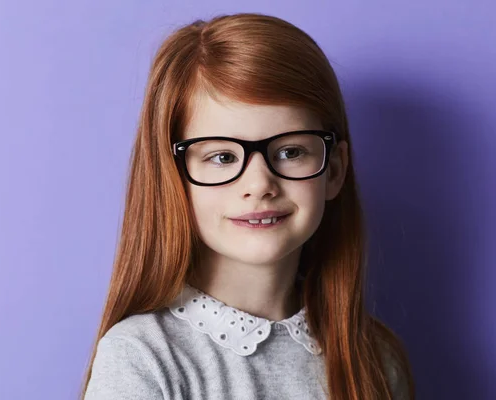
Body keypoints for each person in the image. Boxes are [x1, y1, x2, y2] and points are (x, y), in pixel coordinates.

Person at [81, 12, 414, 400]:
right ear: (174, 178)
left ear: (335, 170)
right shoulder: (143, 357)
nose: (258, 185)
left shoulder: (375, 358)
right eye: (222, 157)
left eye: (290, 151)